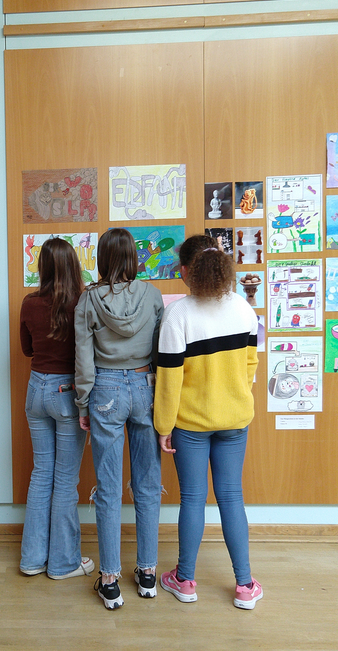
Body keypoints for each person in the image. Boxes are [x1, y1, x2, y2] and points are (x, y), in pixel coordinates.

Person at [154, 234, 262, 610]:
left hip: (191, 424)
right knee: (232, 497)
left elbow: (169, 379)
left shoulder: (178, 315)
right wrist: (236, 394)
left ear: (185, 271)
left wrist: (163, 425)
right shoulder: (244, 310)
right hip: (235, 419)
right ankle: (245, 585)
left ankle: (184, 580)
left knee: (193, 499)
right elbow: (251, 365)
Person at [74, 227, 164, 609]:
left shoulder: (88, 301)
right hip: (146, 386)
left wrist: (83, 403)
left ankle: (109, 579)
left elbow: (83, 359)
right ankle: (146, 575)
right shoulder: (154, 295)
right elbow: (163, 352)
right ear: (133, 257)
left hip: (105, 391)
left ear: (103, 258)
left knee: (108, 488)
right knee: (147, 483)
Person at [19, 238, 94, 580]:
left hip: (36, 390)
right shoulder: (81, 302)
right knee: (64, 480)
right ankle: (63, 563)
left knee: (40, 474)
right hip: (67, 392)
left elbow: (26, 349)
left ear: (43, 267)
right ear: (73, 265)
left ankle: (32, 560)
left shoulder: (29, 303)